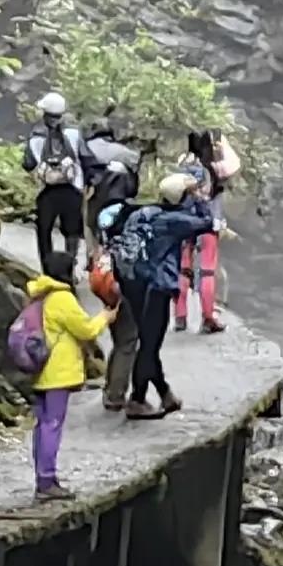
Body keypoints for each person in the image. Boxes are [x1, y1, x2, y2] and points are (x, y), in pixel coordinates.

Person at [107, 172, 212, 419]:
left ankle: (165, 395)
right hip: (156, 288)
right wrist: (200, 198)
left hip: (134, 284)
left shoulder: (142, 213)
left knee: (147, 342)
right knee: (150, 347)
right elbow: (206, 221)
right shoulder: (173, 220)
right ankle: (137, 400)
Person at [19, 262, 107, 498]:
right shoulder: (62, 298)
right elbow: (86, 330)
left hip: (39, 371)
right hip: (57, 373)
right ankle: (47, 482)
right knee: (52, 425)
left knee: (42, 425)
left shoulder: (39, 296)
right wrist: (105, 317)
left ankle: (43, 477)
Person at [176, 129, 238, 334]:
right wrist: (222, 146)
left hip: (184, 220)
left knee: (184, 268)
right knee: (207, 271)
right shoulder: (215, 167)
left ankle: (180, 314)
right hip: (208, 221)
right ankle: (208, 317)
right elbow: (234, 164)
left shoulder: (183, 162)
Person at [25, 92, 89, 283]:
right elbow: (86, 158)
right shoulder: (75, 133)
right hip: (73, 188)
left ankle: (48, 270)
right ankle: (69, 267)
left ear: (44, 112)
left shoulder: (36, 136)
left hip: (47, 192)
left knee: (44, 230)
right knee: (72, 231)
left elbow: (28, 163)